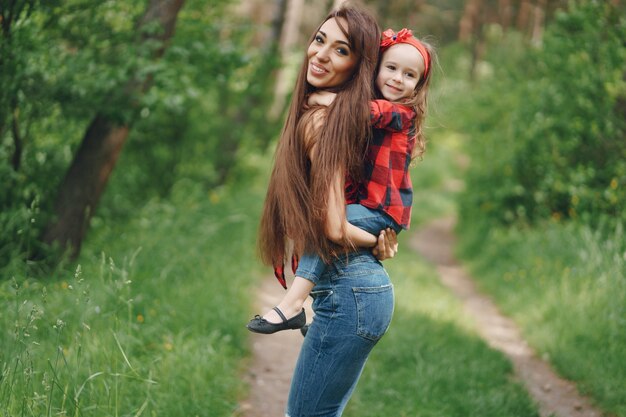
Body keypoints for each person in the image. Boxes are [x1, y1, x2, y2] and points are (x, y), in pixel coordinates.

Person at [247, 27, 434, 336]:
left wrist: (324, 97)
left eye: (409, 75)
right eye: (391, 68)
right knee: (327, 225)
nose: (398, 79)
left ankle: (292, 305)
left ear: (417, 87)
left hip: (383, 209)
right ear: (375, 70)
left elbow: (361, 111)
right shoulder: (368, 110)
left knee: (327, 225)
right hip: (371, 206)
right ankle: (309, 309)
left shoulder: (401, 112)